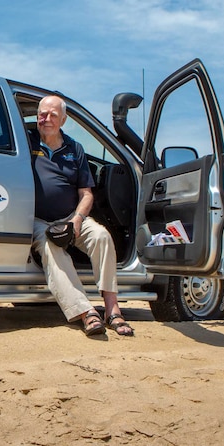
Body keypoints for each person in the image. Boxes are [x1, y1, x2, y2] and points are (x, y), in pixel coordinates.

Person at [30, 95, 134, 337]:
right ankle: (86, 312)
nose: (46, 119)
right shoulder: (26, 141)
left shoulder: (74, 148)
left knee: (101, 236)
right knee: (50, 246)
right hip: (37, 220)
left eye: (52, 115)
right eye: (42, 114)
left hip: (69, 216)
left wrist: (76, 220)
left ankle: (112, 308)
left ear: (63, 119)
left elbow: (86, 194)